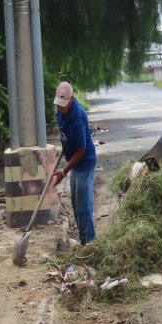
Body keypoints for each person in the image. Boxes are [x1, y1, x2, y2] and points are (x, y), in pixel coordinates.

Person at [53, 81, 96, 245]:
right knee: (75, 205)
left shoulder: (77, 116)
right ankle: (84, 239)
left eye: (64, 104)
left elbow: (81, 151)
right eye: (59, 104)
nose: (61, 108)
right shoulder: (60, 111)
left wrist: (63, 172)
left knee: (84, 206)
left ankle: (90, 243)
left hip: (84, 163)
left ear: (71, 99)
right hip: (74, 162)